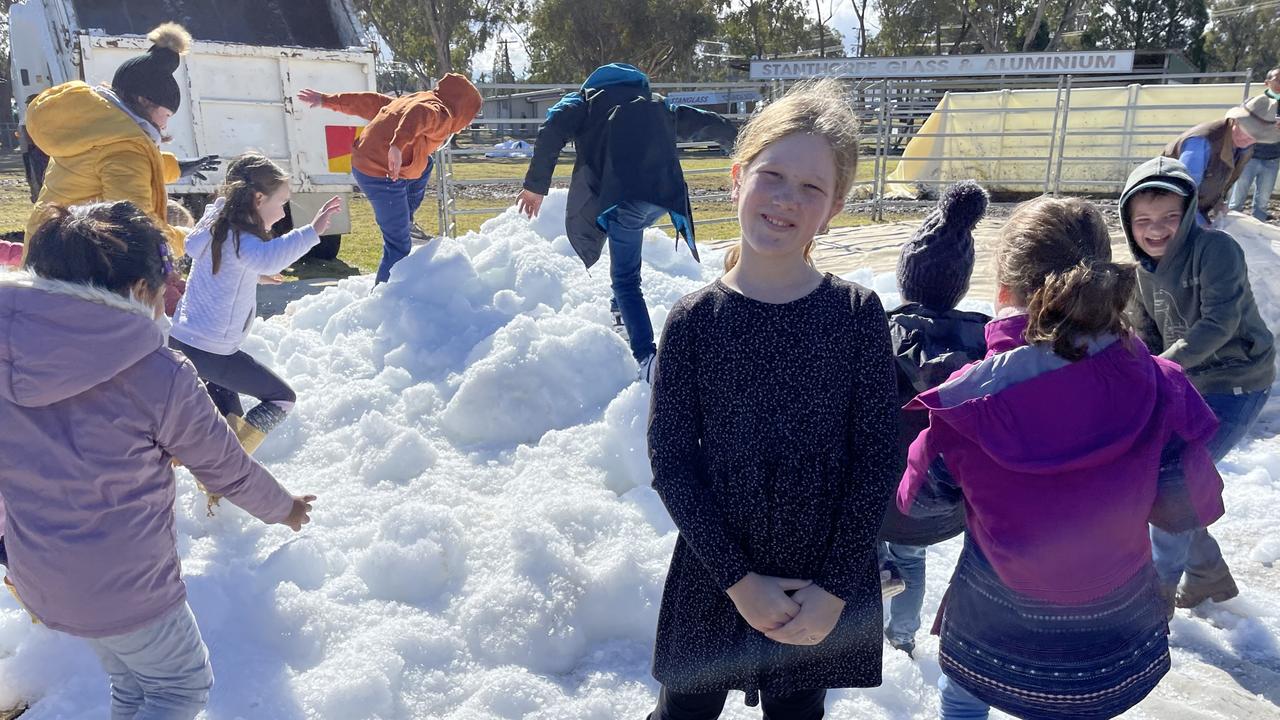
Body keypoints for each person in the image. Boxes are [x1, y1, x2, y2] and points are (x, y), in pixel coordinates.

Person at [900, 196, 1225, 719]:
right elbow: (1190, 505)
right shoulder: (1162, 385)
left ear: (1004, 290)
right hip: (1111, 650)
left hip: (991, 640)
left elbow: (915, 509)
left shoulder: (966, 403)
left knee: (960, 701)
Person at [0, 200, 315, 719]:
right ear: (141, 291)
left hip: (41, 575)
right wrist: (283, 507)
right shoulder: (158, 374)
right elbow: (224, 466)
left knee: (131, 684)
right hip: (128, 586)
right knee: (179, 689)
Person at [646, 79, 897, 720]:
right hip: (715, 571)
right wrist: (738, 582)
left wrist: (837, 587)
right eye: (773, 175)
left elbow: (877, 460)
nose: (788, 199)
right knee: (685, 712)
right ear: (737, 178)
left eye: (812, 187)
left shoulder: (856, 315)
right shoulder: (694, 321)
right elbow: (673, 464)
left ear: (835, 204)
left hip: (818, 575)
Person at [516, 63, 738, 382]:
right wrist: (745, 150)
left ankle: (646, 358)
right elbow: (708, 124)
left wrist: (536, 185)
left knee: (625, 278)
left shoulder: (584, 101)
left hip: (625, 200)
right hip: (664, 200)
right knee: (619, 240)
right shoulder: (657, 104)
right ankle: (619, 309)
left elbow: (552, 128)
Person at [1121, 156, 1275, 610]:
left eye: (1170, 217)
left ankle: (1157, 594)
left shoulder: (1216, 250)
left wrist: (1163, 367)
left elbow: (1220, 320)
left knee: (1174, 483)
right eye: (1143, 220)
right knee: (1169, 479)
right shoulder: (1140, 273)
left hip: (1237, 380)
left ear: (1188, 214)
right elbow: (1145, 336)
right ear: (1128, 221)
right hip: (1187, 381)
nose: (1156, 230)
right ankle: (1208, 576)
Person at [879, 180, 991, 659]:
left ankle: (860, 621)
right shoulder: (989, 344)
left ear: (908, 276)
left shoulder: (880, 333)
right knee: (912, 556)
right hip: (941, 505)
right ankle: (902, 637)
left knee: (875, 550)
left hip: (880, 494)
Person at [170, 152, 342, 458]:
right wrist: (312, 230)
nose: (281, 214)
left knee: (229, 428)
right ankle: (228, 469)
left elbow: (221, 267)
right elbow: (271, 256)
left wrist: (254, 277)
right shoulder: (240, 239)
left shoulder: (216, 230)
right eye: (280, 204)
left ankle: (216, 485)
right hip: (212, 351)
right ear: (258, 199)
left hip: (186, 343)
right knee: (281, 398)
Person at [23, 22, 219, 256]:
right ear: (144, 101)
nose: (165, 123)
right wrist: (191, 239)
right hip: (75, 266)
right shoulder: (125, 149)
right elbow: (137, 226)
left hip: (47, 248)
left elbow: (101, 167)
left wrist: (174, 167)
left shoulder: (94, 125)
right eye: (166, 114)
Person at [297, 74, 483, 284]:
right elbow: (420, 114)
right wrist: (397, 144)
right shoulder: (442, 114)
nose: (469, 123)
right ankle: (382, 299)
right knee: (399, 246)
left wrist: (327, 100)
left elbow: (371, 102)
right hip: (381, 172)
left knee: (426, 164)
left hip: (367, 160)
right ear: (462, 108)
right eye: (471, 116)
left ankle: (406, 220)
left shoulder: (413, 99)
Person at [1163, 95, 1280, 226]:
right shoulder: (1201, 143)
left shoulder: (1244, 147)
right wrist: (1201, 226)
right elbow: (1181, 193)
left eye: (1255, 137)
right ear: (1235, 121)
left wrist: (1218, 204)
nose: (1248, 139)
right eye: (1246, 131)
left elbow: (1216, 180)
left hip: (1191, 209)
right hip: (1164, 209)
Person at [1228, 69, 1280, 221]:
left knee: (1262, 202)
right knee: (1237, 199)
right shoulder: (1255, 103)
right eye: (1277, 79)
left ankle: (1258, 232)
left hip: (1273, 159)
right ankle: (1229, 230)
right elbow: (1239, 122)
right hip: (1250, 157)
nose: (1279, 83)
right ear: (1267, 82)